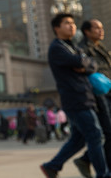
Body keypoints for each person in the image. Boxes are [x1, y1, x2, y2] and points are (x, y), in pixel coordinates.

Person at [40, 13, 110, 178]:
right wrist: (82, 63)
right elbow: (81, 62)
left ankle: (52, 166)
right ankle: (103, 174)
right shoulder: (57, 48)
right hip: (75, 98)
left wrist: (83, 64)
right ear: (57, 28)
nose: (71, 26)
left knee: (78, 139)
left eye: (72, 23)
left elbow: (92, 65)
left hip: (86, 97)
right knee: (96, 135)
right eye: (66, 23)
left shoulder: (73, 46)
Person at [73, 20, 111, 177]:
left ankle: (86, 159)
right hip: (98, 95)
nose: (101, 31)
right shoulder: (83, 49)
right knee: (108, 132)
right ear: (87, 32)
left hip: (108, 92)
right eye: (97, 28)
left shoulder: (101, 48)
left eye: (102, 28)